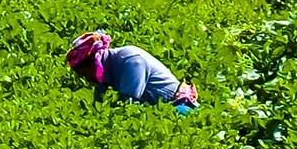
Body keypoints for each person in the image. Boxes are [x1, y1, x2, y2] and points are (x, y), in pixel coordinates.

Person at [66, 31, 198, 114]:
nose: (85, 78)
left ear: (93, 62)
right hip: (158, 111)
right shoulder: (105, 71)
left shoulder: (131, 60)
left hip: (179, 107)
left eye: (84, 73)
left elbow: (129, 106)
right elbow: (98, 105)